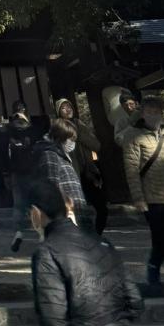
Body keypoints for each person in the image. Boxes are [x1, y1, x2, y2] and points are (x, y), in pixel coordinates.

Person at [29, 176, 145, 326]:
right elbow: (136, 301)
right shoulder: (101, 242)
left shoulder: (47, 253)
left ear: (36, 213)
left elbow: (54, 324)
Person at [121, 92, 164, 285]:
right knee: (161, 243)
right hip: (154, 199)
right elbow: (131, 171)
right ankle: (154, 279)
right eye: (149, 111)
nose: (154, 115)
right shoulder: (133, 136)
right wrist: (138, 198)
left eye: (157, 111)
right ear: (142, 113)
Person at [54, 98, 106, 236]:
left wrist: (79, 135)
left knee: (101, 207)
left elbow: (96, 145)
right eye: (63, 107)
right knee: (75, 209)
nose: (67, 109)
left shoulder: (79, 124)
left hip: (88, 172)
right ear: (58, 111)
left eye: (69, 106)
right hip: (71, 174)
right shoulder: (57, 127)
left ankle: (96, 235)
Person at [0, 103, 38, 253]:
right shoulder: (31, 129)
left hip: (15, 170)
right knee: (36, 202)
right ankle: (40, 231)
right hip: (32, 169)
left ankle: (18, 231)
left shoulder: (7, 130)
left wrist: (5, 173)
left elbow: (1, 152)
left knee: (18, 204)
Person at [33, 121, 87, 229]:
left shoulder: (63, 156)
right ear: (61, 137)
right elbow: (51, 187)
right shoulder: (50, 155)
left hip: (75, 214)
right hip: (65, 217)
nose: (72, 143)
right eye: (70, 139)